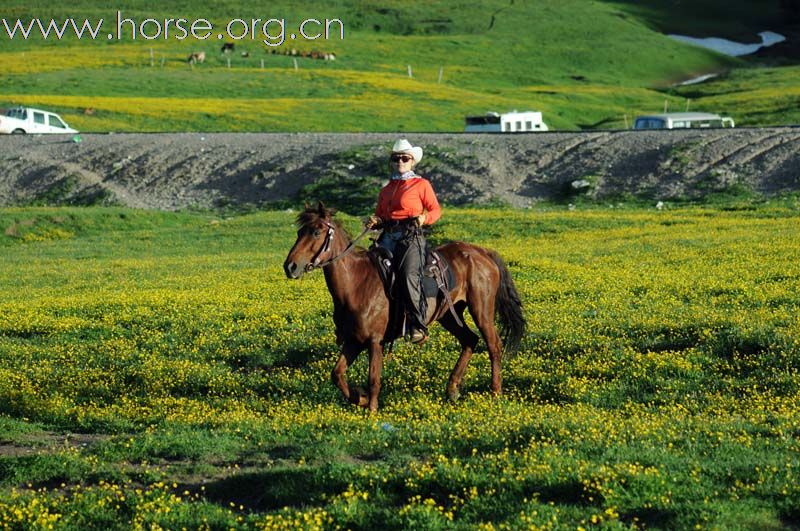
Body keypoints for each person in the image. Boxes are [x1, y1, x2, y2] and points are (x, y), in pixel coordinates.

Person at [366, 139, 441, 344]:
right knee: (367, 270)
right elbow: (381, 215)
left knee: (408, 274)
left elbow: (435, 210)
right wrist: (376, 221)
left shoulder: (421, 184)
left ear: (412, 161)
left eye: (405, 158)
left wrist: (424, 218)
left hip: (411, 237)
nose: (400, 161)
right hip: (388, 237)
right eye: (396, 158)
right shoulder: (386, 189)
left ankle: (418, 324)